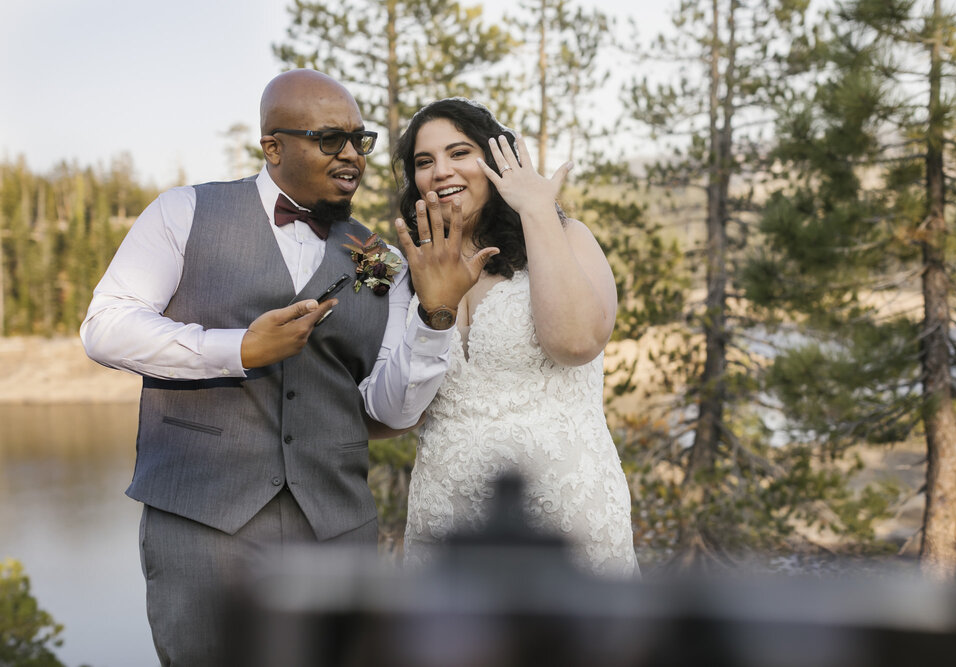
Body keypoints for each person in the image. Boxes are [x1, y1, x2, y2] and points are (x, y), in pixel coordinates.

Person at [80, 70, 494, 666]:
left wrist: (435, 314)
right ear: (272, 146)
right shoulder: (184, 213)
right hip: (201, 523)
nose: (352, 155)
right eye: (331, 140)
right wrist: (236, 350)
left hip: (336, 530)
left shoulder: (379, 258)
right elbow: (106, 325)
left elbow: (392, 407)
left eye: (360, 140)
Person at [391, 98, 639, 578]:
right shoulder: (411, 269)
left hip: (562, 506)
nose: (440, 171)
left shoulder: (568, 237)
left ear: (496, 160)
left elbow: (575, 343)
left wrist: (537, 210)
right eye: (425, 162)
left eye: (459, 153)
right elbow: (400, 404)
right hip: (442, 513)